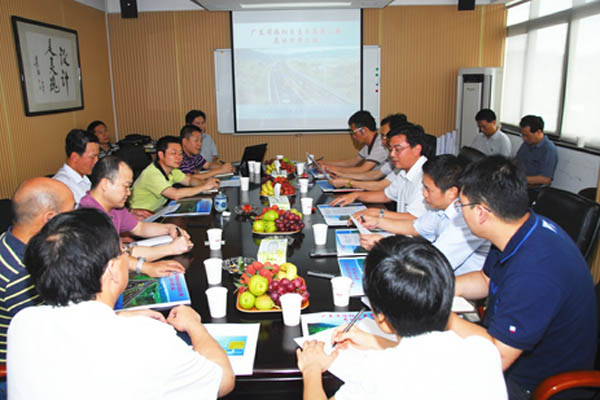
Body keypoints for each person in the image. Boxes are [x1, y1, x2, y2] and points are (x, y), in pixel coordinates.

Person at [7, 208, 235, 399]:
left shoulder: (23, 323)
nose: (127, 257)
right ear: (112, 270)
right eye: (123, 251)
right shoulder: (147, 337)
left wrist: (118, 317)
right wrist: (194, 324)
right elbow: (223, 381)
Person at [447, 156, 596, 399]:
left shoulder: (535, 271)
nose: (459, 213)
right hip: (507, 347)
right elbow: (485, 280)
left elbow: (495, 358)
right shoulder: (519, 227)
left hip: (531, 383)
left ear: (482, 212)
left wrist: (437, 315)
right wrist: (440, 288)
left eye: (461, 205)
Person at [296, 236, 507, 399]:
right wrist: (373, 341)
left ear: (381, 318)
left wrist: (312, 369)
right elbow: (423, 359)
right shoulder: (483, 351)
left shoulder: (377, 375)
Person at [358, 155, 490, 276]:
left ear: (451, 192)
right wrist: (377, 221)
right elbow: (415, 227)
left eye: (428, 189)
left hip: (453, 284)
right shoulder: (442, 209)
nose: (424, 194)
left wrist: (383, 245)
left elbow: (432, 262)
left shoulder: (466, 220)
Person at [0, 178, 75, 363]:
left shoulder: (9, 240)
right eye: (71, 211)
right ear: (50, 219)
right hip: (22, 363)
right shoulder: (22, 274)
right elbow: (57, 336)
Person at [80, 156, 193, 263]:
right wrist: (170, 249)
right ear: (105, 184)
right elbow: (117, 258)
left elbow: (139, 228)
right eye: (126, 186)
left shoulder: (113, 206)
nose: (129, 193)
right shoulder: (89, 217)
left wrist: (169, 228)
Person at [331, 124, 429, 221]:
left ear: (416, 149)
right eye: (390, 149)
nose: (392, 154)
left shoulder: (426, 176)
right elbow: (386, 195)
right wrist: (356, 195)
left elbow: (414, 219)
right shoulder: (403, 171)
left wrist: (378, 213)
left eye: (397, 149)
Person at [128, 136, 219, 212]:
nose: (178, 157)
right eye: (173, 153)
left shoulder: (172, 170)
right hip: (140, 216)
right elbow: (175, 194)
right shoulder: (152, 173)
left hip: (158, 211)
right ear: (161, 155)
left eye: (180, 154)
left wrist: (206, 184)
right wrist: (204, 187)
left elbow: (190, 180)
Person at [327, 114, 408, 191]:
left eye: (385, 136)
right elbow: (375, 174)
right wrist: (341, 174)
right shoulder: (393, 156)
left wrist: (348, 182)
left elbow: (377, 182)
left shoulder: (382, 147)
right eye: (382, 136)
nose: (383, 140)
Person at [319, 110, 388, 176]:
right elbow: (352, 162)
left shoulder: (380, 145)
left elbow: (363, 170)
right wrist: (324, 163)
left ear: (364, 130)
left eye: (354, 132)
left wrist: (330, 169)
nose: (353, 136)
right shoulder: (369, 143)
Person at [514, 115, 558, 202]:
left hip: (534, 191)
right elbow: (516, 162)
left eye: (527, 135)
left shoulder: (548, 150)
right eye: (522, 135)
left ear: (538, 132)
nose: (524, 138)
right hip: (519, 186)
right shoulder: (526, 144)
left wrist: (520, 179)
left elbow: (546, 179)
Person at [53, 129, 100, 205]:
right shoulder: (62, 186)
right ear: (75, 157)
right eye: (92, 157)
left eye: (98, 156)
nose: (96, 161)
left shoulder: (85, 177)